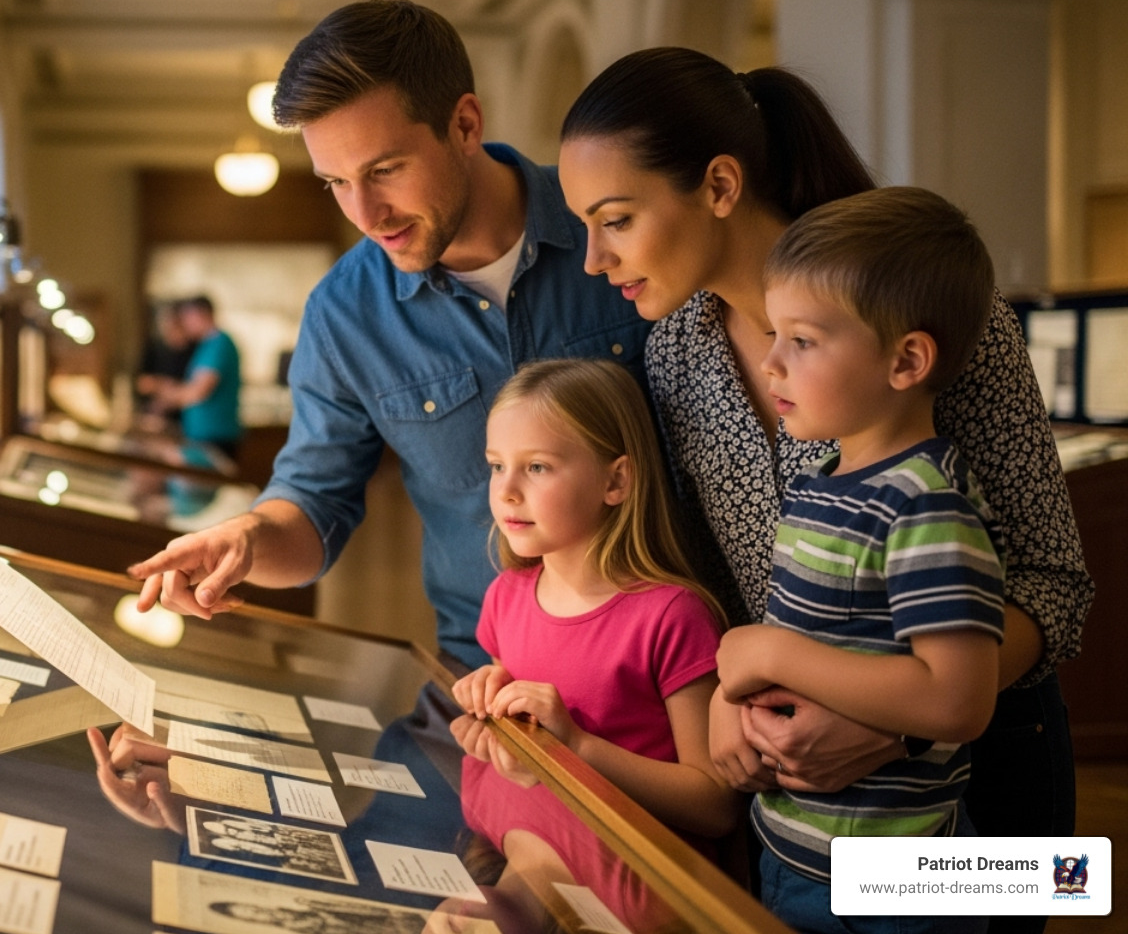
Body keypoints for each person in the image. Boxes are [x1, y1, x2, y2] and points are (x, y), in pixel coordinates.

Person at [557, 47, 1090, 920]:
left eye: (615, 219)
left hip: (978, 780)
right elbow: (719, 584)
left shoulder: (934, 319)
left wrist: (902, 716)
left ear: (720, 185)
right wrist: (725, 705)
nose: (592, 259)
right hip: (792, 799)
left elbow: (1052, 583)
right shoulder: (675, 354)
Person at [127, 0, 649, 669]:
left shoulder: (611, 229)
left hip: (671, 663)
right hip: (490, 670)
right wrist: (249, 539)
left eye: (383, 171)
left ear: (464, 123)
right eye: (336, 182)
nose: (366, 213)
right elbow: (314, 501)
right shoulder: (344, 315)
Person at [714, 188, 1004, 933]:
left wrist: (768, 649)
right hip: (793, 852)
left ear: (906, 359)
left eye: (802, 342)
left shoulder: (924, 504)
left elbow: (956, 702)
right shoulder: (818, 485)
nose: (772, 363)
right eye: (773, 335)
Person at [451, 358, 736, 841]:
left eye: (537, 467)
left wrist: (578, 747)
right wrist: (493, 725)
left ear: (616, 481)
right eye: (498, 466)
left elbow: (715, 804)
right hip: (525, 846)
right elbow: (525, 767)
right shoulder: (505, 597)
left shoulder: (672, 616)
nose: (507, 491)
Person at [149, 295, 241, 457]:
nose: (184, 323)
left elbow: (199, 390)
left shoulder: (220, 344)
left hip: (215, 436)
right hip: (200, 435)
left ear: (200, 314)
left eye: (186, 317)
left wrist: (165, 396)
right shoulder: (205, 345)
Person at [134, 299, 197, 424]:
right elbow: (141, 383)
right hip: (155, 418)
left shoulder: (195, 350)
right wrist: (162, 385)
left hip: (185, 419)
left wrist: (169, 395)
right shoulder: (155, 348)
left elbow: (195, 390)